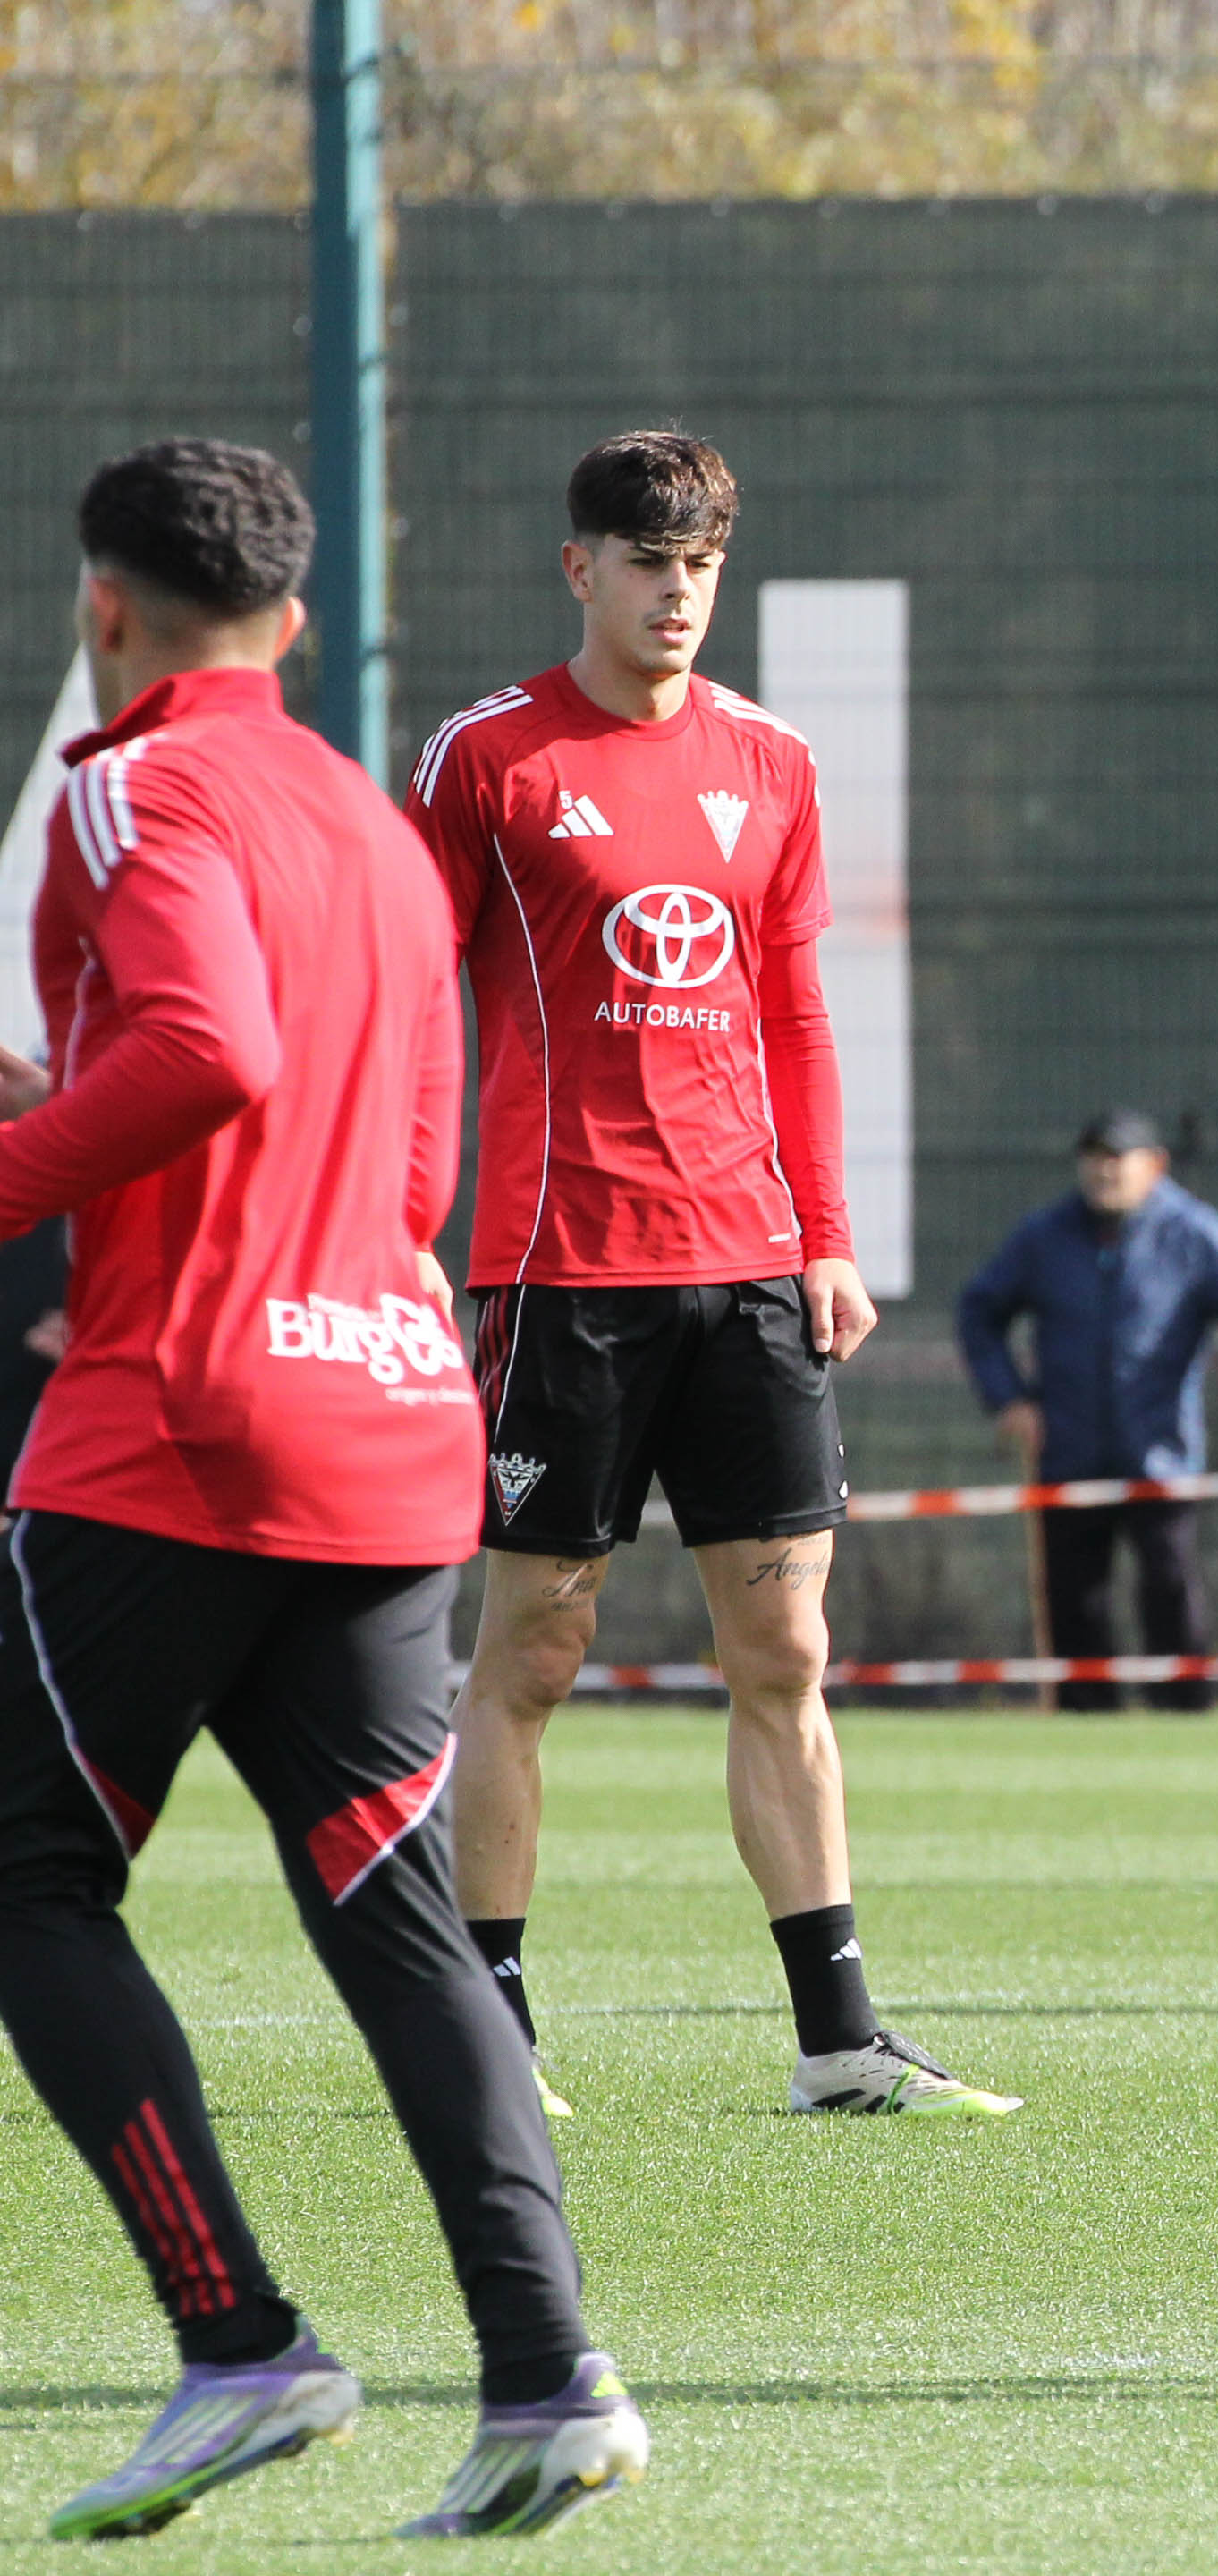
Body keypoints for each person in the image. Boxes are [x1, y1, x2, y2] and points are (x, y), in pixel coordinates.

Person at [0, 439, 646, 2541]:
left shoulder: (126, 784)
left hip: (186, 1422)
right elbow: (405, 1153)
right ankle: (553, 2377)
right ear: (289, 617)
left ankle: (240, 2338)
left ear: (106, 610)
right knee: (399, 1919)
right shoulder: (376, 827)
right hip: (384, 1414)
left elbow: (203, 1049)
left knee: (26, 1878)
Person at [407, 429, 1016, 2118]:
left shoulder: (774, 760)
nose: (675, 593)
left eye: (700, 565)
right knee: (533, 1646)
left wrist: (826, 1232)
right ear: (579, 567)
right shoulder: (488, 758)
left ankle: (839, 2040)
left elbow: (798, 1020)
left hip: (748, 1272)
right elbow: (402, 997)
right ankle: (491, 2035)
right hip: (557, 1274)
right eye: (645, 561)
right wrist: (404, 1225)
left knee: (787, 1652)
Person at [957, 1111, 1218, 1711]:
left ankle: (1183, 1713)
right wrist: (1009, 1398)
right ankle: (1088, 1721)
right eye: (1093, 1157)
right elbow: (979, 1310)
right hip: (1070, 1448)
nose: (1104, 1170)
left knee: (1169, 1585)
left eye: (1118, 1157)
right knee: (1077, 1599)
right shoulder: (1046, 1236)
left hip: (1158, 1450)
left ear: (1154, 1164)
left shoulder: (1191, 1234)